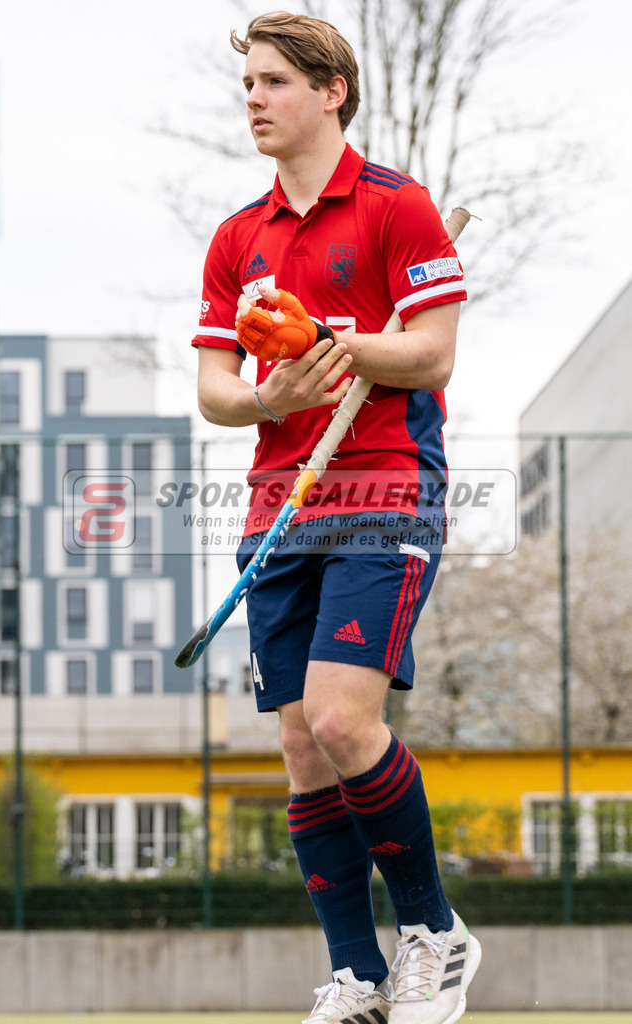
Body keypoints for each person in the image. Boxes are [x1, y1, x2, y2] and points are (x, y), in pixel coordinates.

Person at [191, 11, 481, 1024]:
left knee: (341, 719)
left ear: (330, 91)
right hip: (279, 506)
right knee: (303, 751)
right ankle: (355, 976)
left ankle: (434, 935)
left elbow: (432, 355)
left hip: (384, 489)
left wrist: (338, 344)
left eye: (274, 82)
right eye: (248, 85)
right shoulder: (239, 237)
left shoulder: (397, 208)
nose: (255, 100)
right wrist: (268, 398)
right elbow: (214, 388)